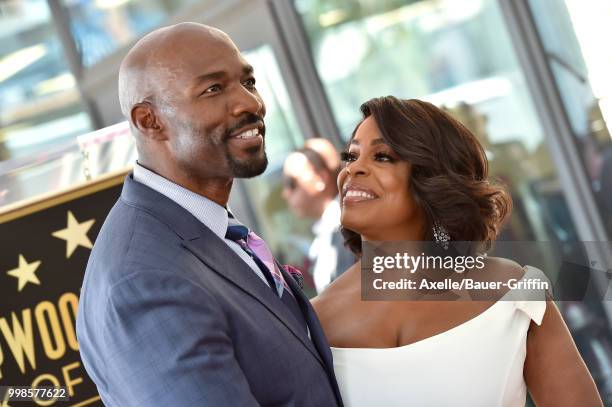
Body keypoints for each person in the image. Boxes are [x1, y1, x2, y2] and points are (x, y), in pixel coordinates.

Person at [76, 23, 342, 406]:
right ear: (149, 121)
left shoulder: (211, 229)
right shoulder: (143, 280)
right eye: (213, 89)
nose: (250, 104)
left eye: (247, 81)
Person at [312, 96, 602, 406]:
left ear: (431, 179)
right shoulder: (312, 321)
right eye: (351, 155)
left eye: (382, 156)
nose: (353, 169)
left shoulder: (513, 291)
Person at [282, 139, 355, 293]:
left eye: (292, 183)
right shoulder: (331, 231)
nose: (285, 194)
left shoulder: (351, 225)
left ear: (321, 178)